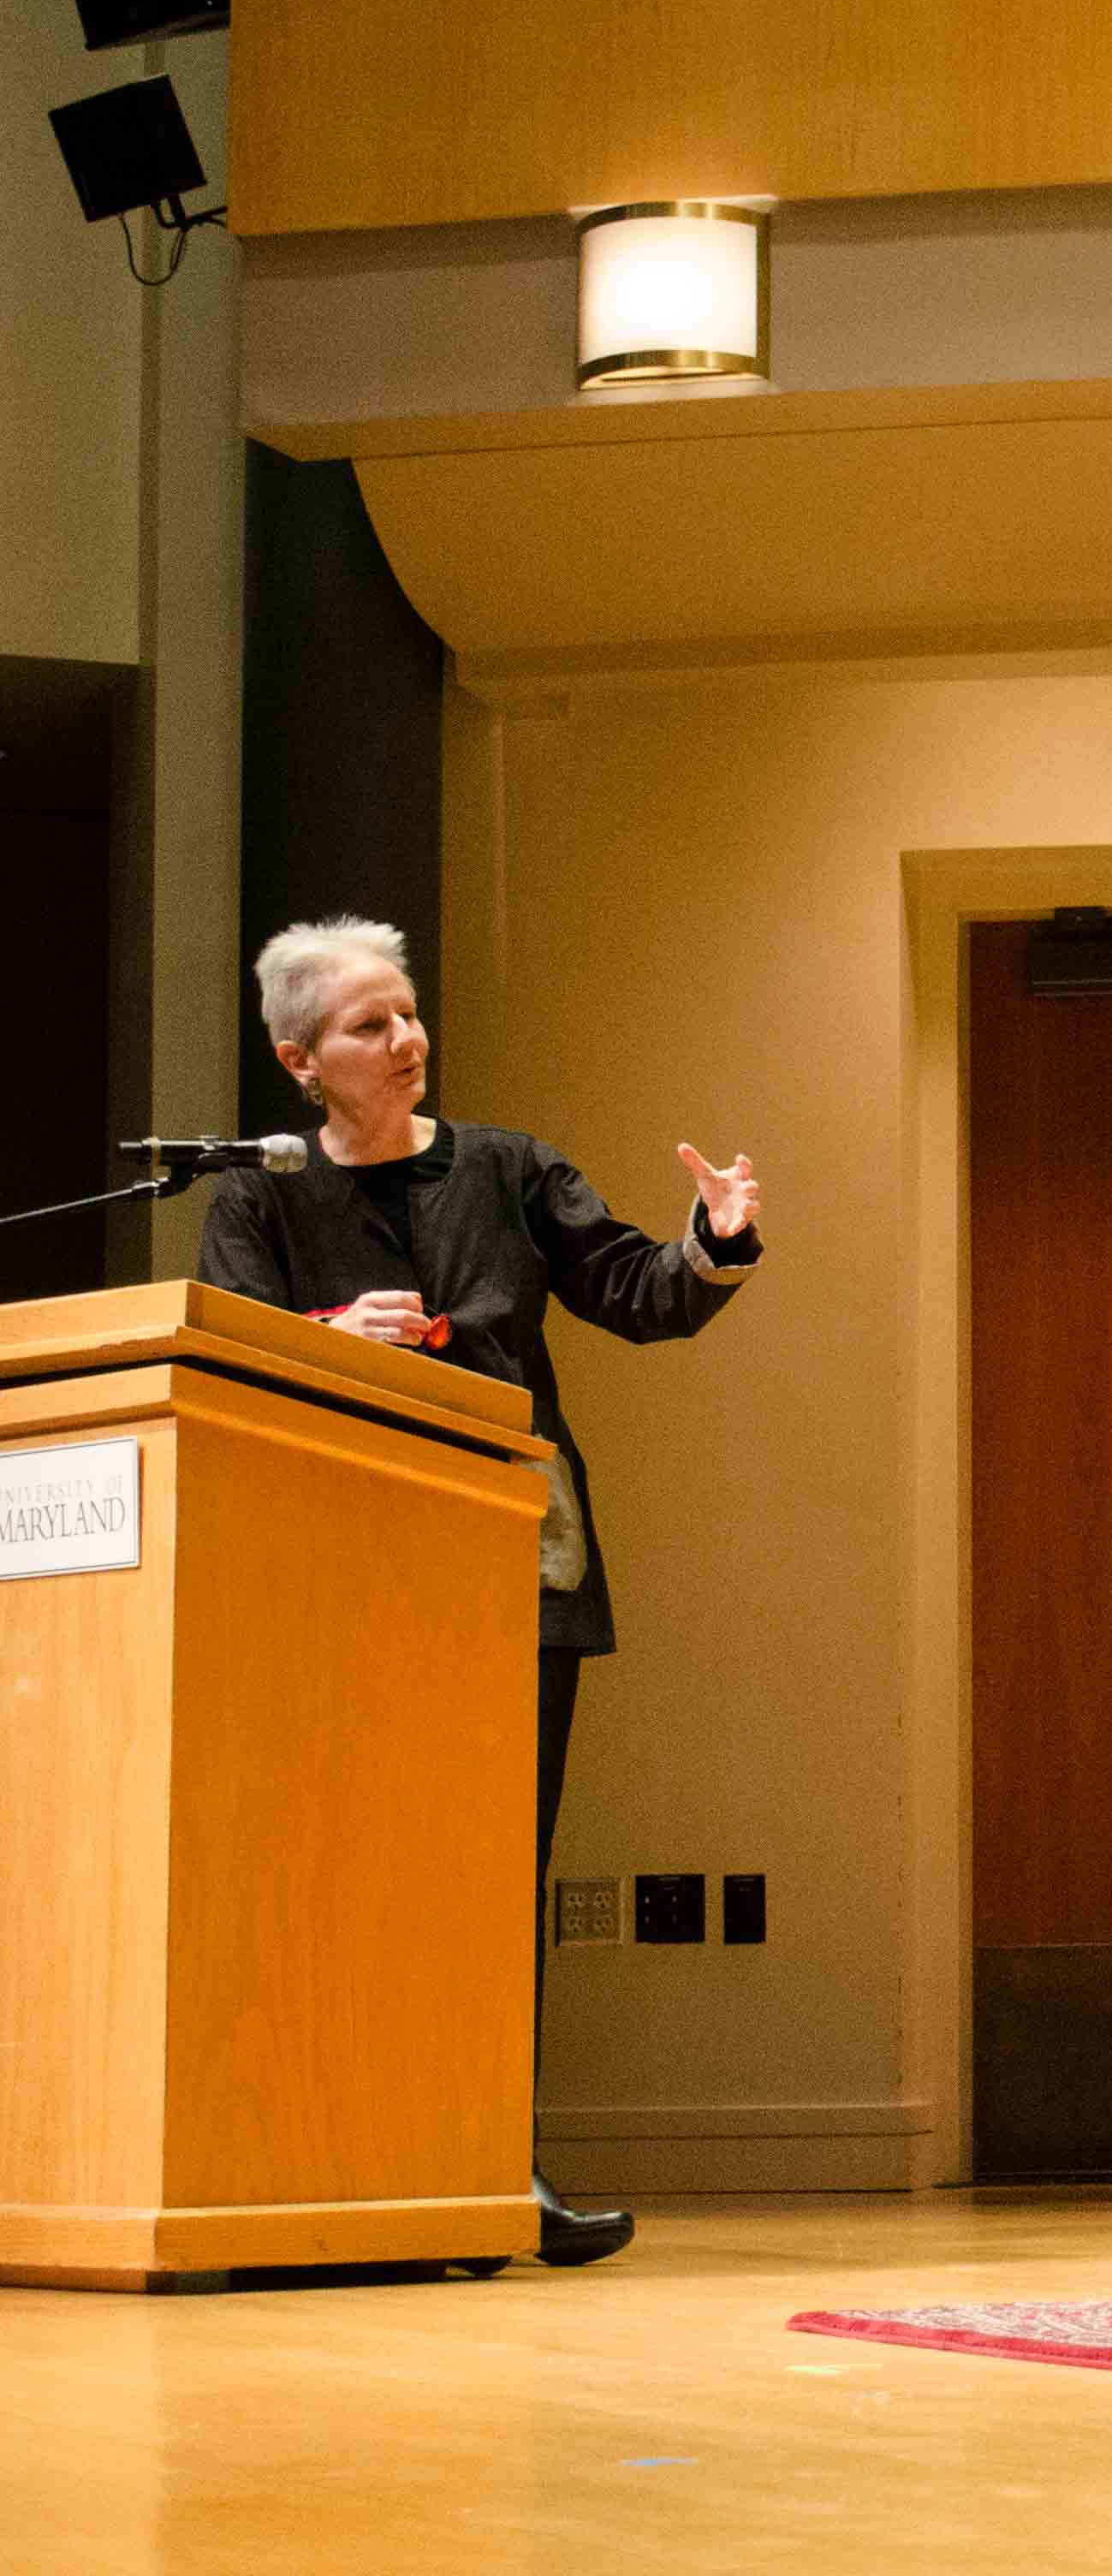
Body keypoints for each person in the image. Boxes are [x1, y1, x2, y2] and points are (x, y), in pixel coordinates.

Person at [197, 917, 767, 2270]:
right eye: (365, 1026)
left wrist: (712, 1241)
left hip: (517, 1559)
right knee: (342, 1867)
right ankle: (336, 2158)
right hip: (334, 1571)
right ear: (299, 1060)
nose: (403, 1040)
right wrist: (324, 1340)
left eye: (407, 1014)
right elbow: (225, 1366)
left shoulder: (510, 1169)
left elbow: (639, 1294)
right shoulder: (256, 1200)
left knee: (494, 1872)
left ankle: (487, 2163)